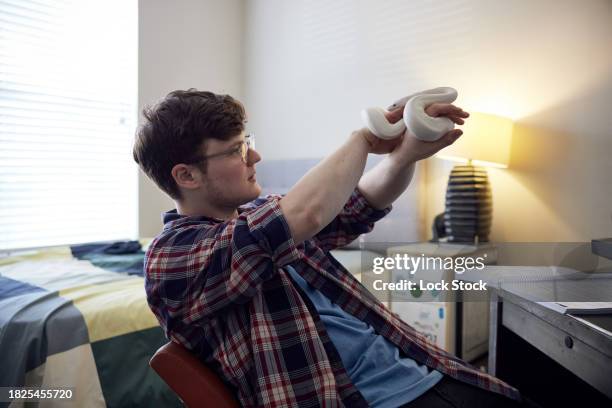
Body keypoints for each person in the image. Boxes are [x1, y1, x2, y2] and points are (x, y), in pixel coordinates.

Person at [133, 89, 532, 407]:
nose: (255, 155)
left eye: (248, 142)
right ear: (186, 175)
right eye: (237, 150)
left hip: (422, 372)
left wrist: (405, 154)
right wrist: (362, 138)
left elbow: (356, 205)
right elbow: (306, 212)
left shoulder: (257, 216)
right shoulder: (173, 257)